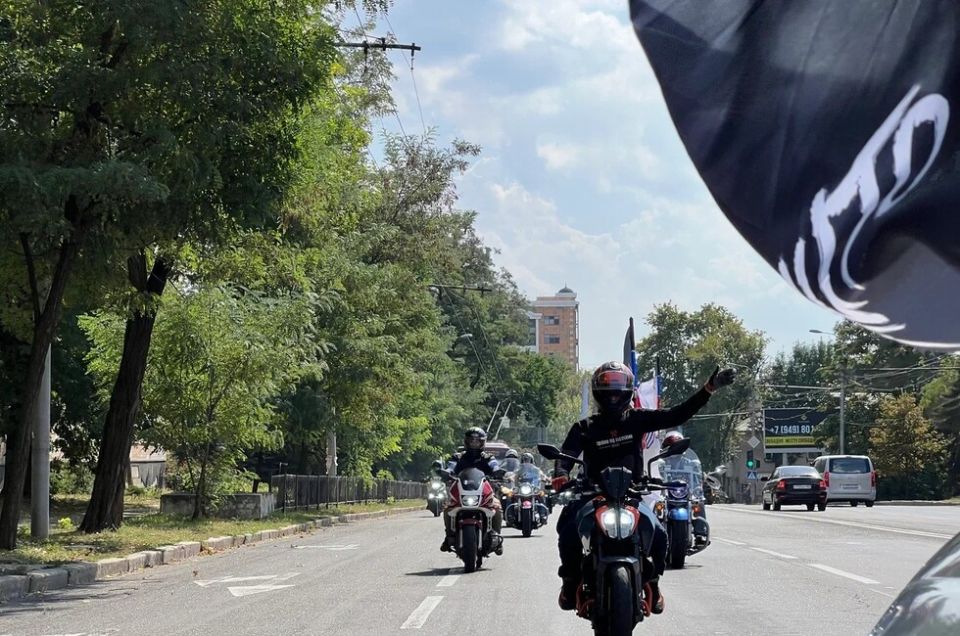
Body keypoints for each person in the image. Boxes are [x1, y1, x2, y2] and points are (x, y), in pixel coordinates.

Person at [554, 361, 736, 614]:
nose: (613, 392)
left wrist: (709, 389)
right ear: (598, 390)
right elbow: (566, 455)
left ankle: (653, 582)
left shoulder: (638, 419)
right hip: (593, 495)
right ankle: (570, 582)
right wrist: (561, 474)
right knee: (567, 529)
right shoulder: (584, 428)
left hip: (630, 495)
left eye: (618, 386)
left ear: (628, 390)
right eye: (608, 386)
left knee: (659, 534)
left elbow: (677, 414)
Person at [440, 426, 503, 552]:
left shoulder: (488, 457)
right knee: (448, 509)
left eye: (477, 441)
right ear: (466, 441)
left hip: (483, 492)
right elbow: (451, 466)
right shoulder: (458, 457)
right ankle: (449, 536)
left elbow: (494, 465)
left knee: (496, 508)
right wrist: (447, 472)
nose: (474, 443)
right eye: (471, 440)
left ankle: (496, 536)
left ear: (482, 442)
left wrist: (497, 471)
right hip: (461, 491)